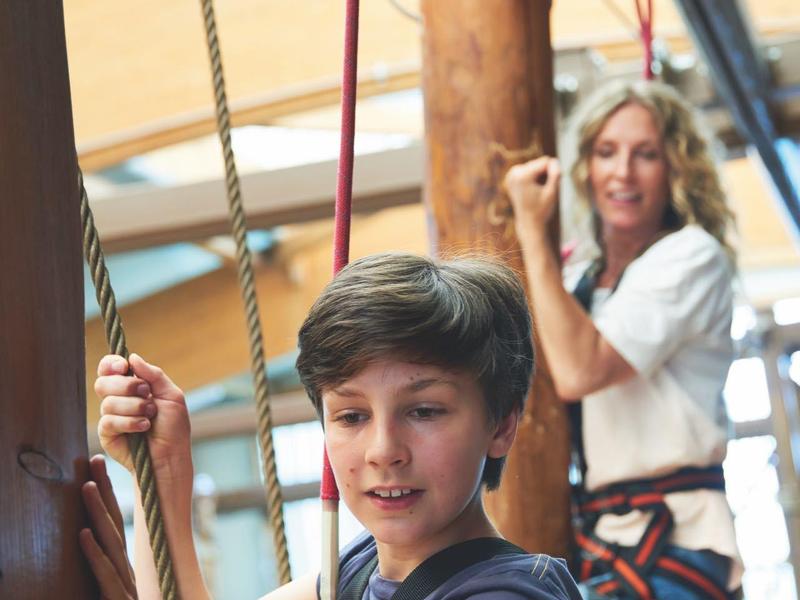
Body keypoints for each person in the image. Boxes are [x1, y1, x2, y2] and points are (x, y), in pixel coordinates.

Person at [81, 252, 583, 599]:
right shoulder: (360, 568)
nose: (383, 450)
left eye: (424, 411)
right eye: (351, 416)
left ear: (501, 425)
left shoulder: (510, 592)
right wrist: (164, 470)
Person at [504, 79, 742, 599]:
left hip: (678, 536)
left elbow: (580, 370)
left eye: (646, 155)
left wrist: (531, 232)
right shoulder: (582, 280)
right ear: (586, 167)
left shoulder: (691, 256)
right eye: (606, 152)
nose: (622, 172)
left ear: (675, 169)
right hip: (604, 539)